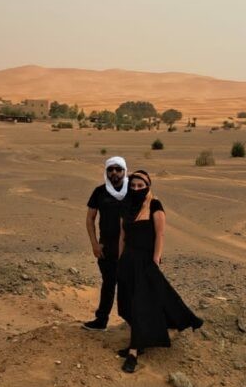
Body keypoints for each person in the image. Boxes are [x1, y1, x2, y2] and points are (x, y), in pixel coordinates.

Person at [116, 170, 203, 373]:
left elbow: (160, 234)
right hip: (128, 261)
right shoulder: (128, 206)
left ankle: (134, 352)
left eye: (141, 186)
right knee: (126, 304)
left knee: (140, 305)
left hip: (145, 262)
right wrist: (120, 260)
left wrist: (156, 259)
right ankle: (142, 339)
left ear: (148, 186)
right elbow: (122, 235)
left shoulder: (155, 205)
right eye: (133, 186)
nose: (136, 189)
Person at [82, 156, 128, 331]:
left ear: (124, 170)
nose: (114, 172)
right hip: (107, 247)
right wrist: (94, 244)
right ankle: (101, 320)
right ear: (106, 172)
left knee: (129, 284)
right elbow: (90, 219)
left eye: (118, 169)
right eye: (111, 169)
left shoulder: (132, 190)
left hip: (129, 246)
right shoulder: (100, 192)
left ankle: (132, 321)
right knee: (108, 283)